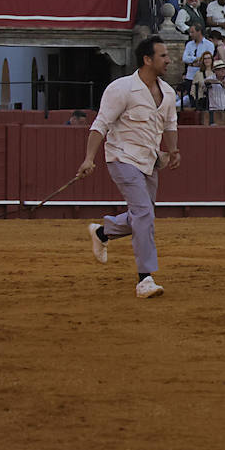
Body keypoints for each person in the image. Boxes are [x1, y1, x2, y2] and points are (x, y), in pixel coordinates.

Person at [77, 35, 180, 299]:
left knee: (141, 216)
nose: (168, 60)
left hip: (149, 161)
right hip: (122, 159)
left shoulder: (167, 92)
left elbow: (170, 125)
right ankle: (144, 279)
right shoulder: (121, 88)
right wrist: (89, 158)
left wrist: (174, 150)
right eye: (163, 56)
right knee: (144, 214)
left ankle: (103, 231)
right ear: (148, 60)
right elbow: (100, 124)